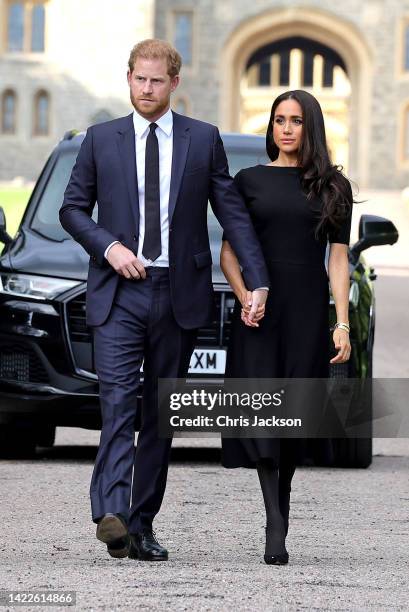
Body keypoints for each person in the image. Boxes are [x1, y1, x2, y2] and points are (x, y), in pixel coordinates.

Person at [59, 39, 270, 562]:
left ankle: (141, 524)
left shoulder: (203, 140)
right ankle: (110, 511)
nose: (146, 89)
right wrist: (109, 248)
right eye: (138, 79)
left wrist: (258, 278)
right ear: (127, 77)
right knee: (117, 404)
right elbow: (72, 209)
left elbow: (232, 213)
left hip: (179, 294)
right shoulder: (99, 140)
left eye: (156, 81)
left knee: (160, 415)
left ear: (174, 83)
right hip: (119, 292)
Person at [220, 89, 353, 565]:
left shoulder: (334, 186)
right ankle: (275, 521)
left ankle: (283, 501)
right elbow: (230, 251)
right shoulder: (248, 180)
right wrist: (243, 298)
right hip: (261, 311)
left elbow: (339, 260)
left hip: (306, 310)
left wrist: (341, 323)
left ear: (310, 126)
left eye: (296, 120)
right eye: (279, 120)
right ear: (271, 127)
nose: (287, 129)